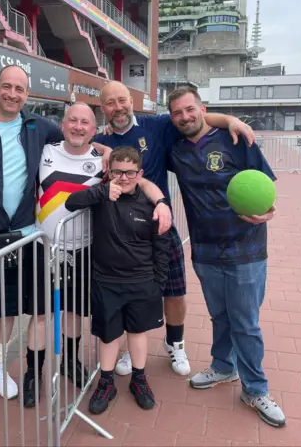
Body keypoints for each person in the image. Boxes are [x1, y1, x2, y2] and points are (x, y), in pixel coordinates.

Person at [0, 102, 171, 408]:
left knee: (74, 312)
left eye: (85, 122)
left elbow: (140, 180)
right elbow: (7, 171)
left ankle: (70, 362)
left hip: (84, 250)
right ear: (62, 124)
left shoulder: (104, 161)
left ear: (93, 128)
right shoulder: (44, 152)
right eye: (72, 120)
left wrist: (162, 201)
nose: (78, 126)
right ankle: (34, 372)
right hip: (42, 245)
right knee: (42, 315)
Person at [0, 65, 100, 424]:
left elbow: (78, 139)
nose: (13, 94)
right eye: (7, 87)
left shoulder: (38, 127)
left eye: (20, 89)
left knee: (10, 308)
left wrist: (105, 152)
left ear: (28, 94)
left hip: (23, 234)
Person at [95, 81, 257, 377]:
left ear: (131, 101)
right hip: (121, 235)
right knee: (130, 293)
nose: (117, 108)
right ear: (102, 107)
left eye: (122, 100)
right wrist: (99, 145)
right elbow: (73, 140)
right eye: (110, 103)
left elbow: (197, 119)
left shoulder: (156, 125)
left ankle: (175, 344)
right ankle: (131, 350)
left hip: (161, 227)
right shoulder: (98, 138)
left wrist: (232, 120)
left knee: (175, 291)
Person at [166, 86, 285, 427]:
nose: (185, 117)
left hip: (246, 249)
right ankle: (223, 366)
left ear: (202, 108)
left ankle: (255, 388)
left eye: (190, 109)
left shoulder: (235, 139)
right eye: (178, 113)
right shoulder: (174, 150)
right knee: (220, 315)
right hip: (204, 248)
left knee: (245, 322)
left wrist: (268, 210)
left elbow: (264, 186)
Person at [65, 146, 169, 414]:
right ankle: (106, 381)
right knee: (109, 334)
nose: (124, 178)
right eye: (118, 172)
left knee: (137, 331)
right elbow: (70, 203)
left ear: (140, 173)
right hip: (106, 280)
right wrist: (101, 191)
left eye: (130, 173)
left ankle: (140, 379)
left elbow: (162, 246)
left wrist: (157, 282)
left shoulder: (150, 204)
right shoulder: (101, 197)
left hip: (142, 279)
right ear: (109, 172)